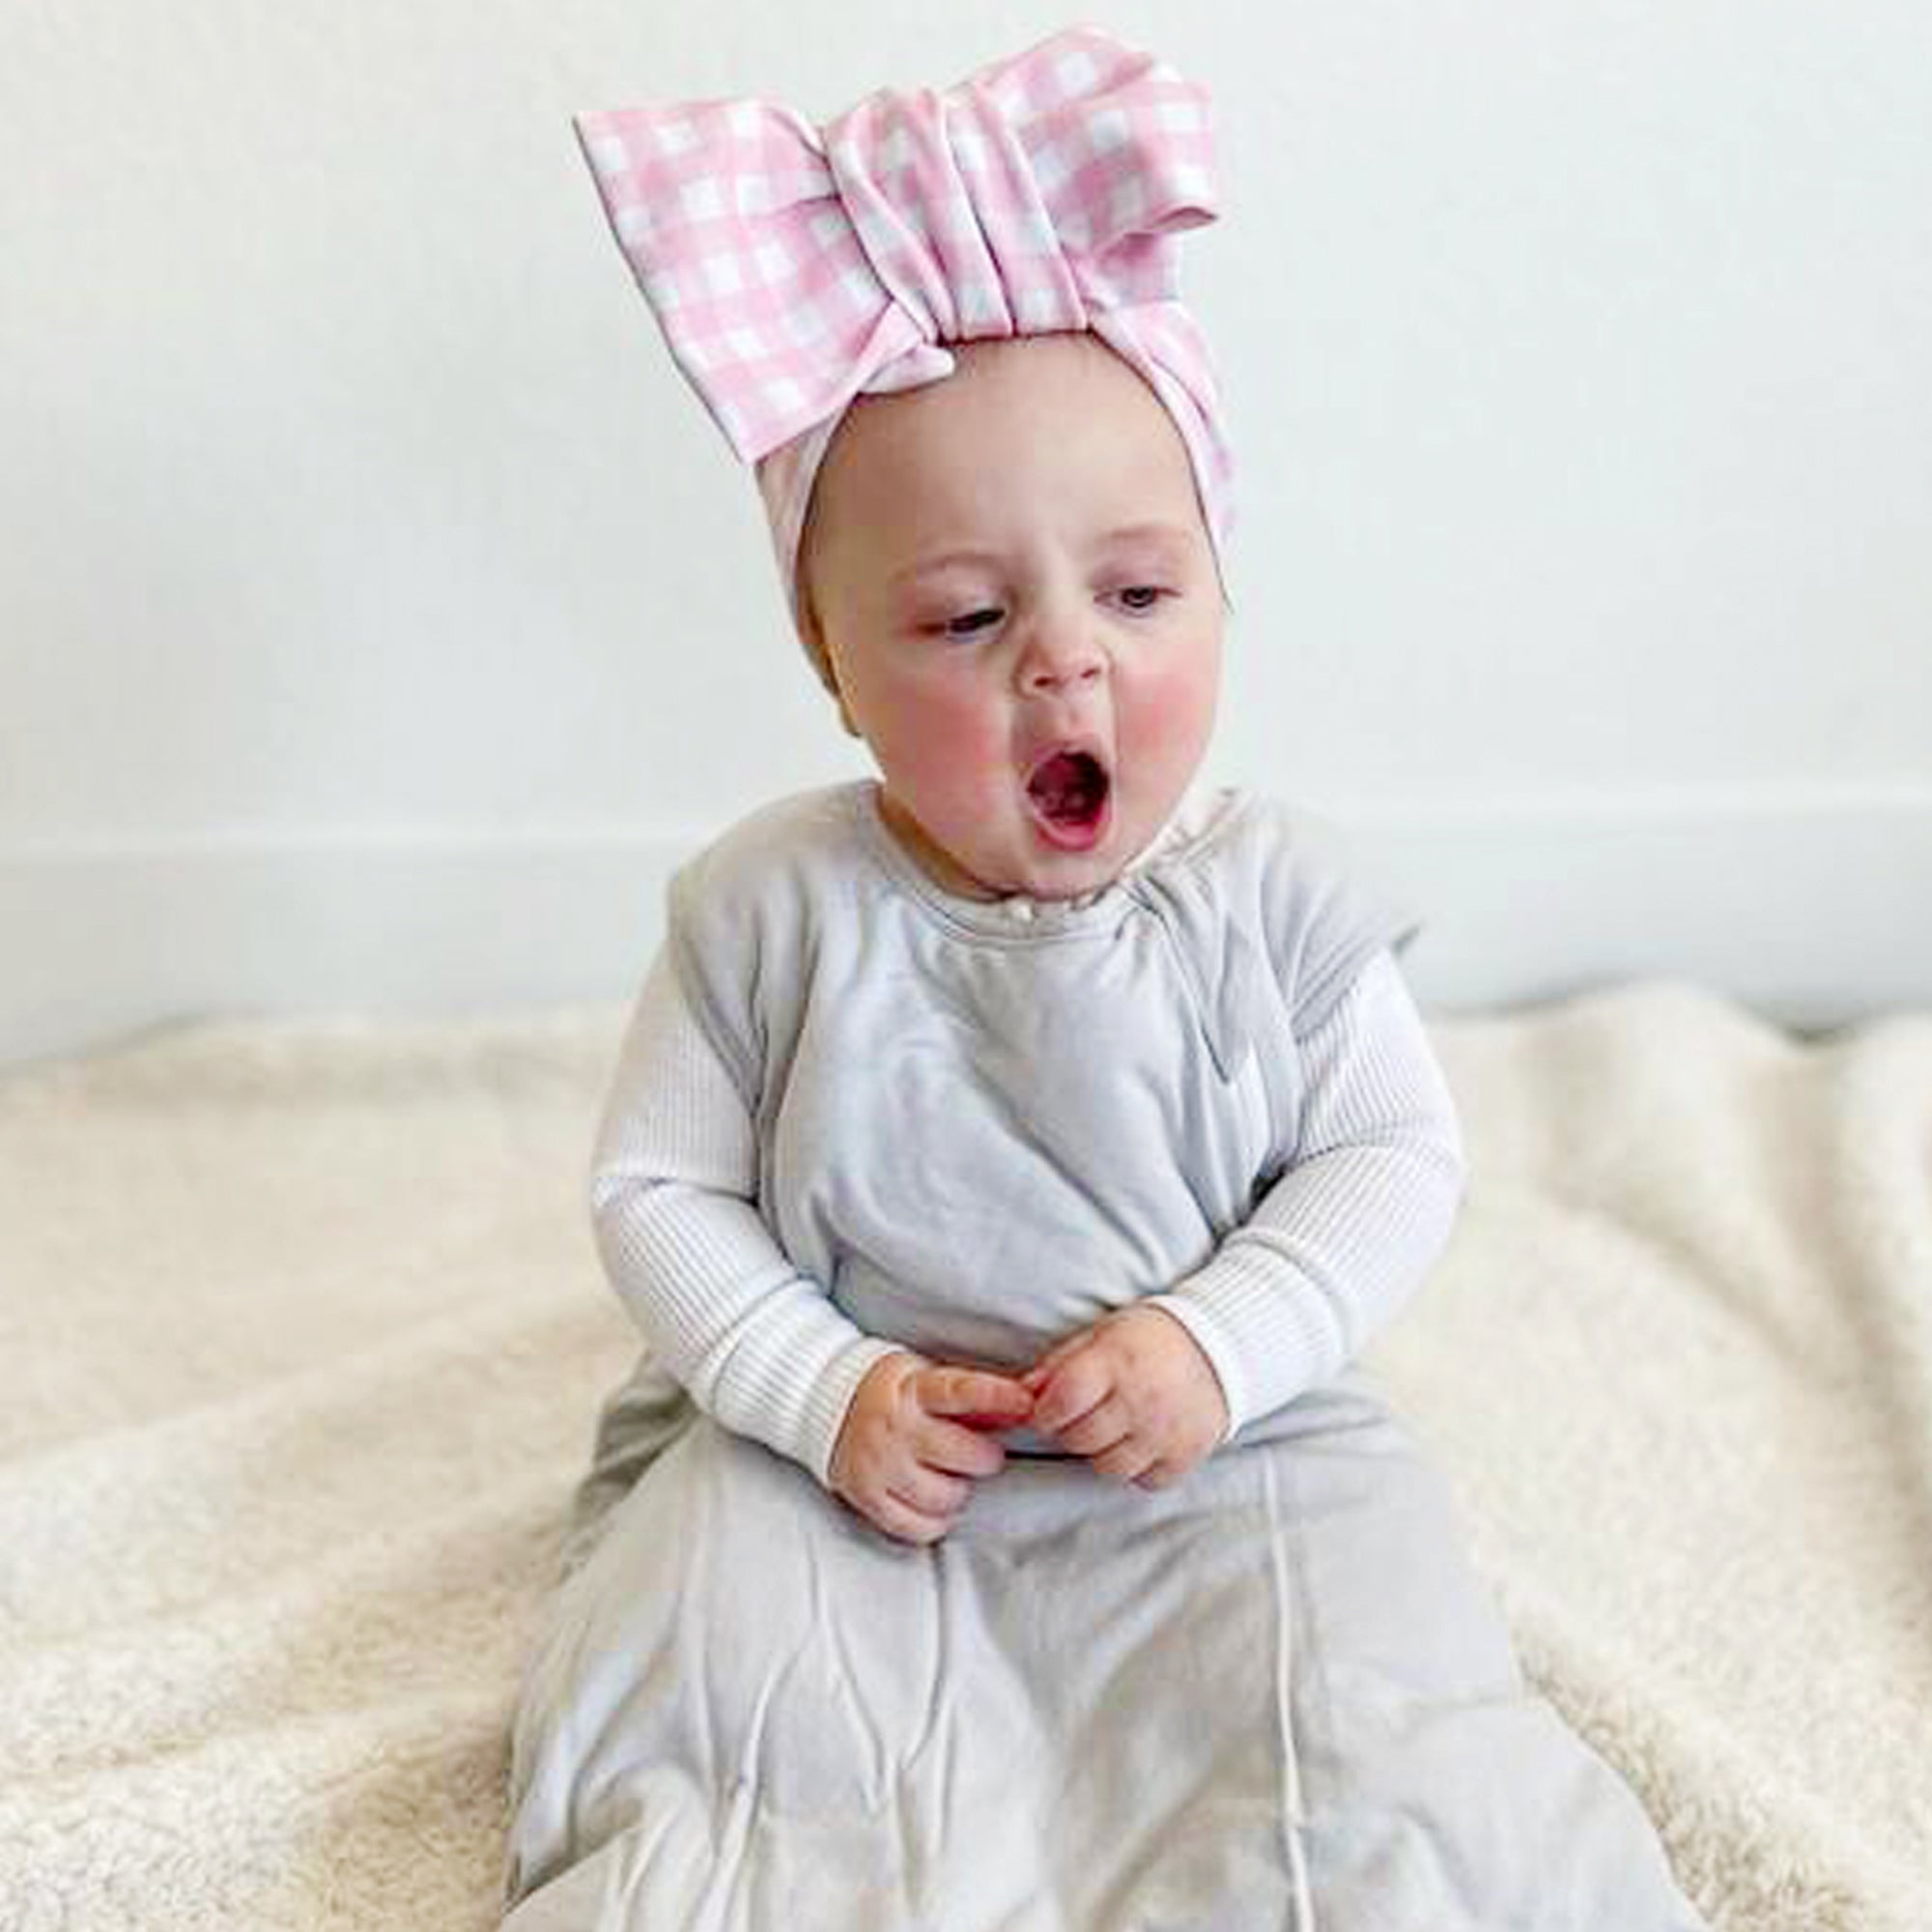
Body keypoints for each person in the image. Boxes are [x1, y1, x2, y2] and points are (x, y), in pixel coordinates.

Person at [500, 25, 1711, 1928]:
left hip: (1210, 1449)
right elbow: (658, 1193)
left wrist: (1224, 1342)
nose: (1066, 661)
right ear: (830, 658)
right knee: (717, 1683)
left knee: (1360, 1705)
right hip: (852, 1455)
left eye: (1139, 595)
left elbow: (1390, 1158)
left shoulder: (1268, 900)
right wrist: (817, 1386)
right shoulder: (770, 907)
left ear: (1220, 586)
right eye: (967, 616)